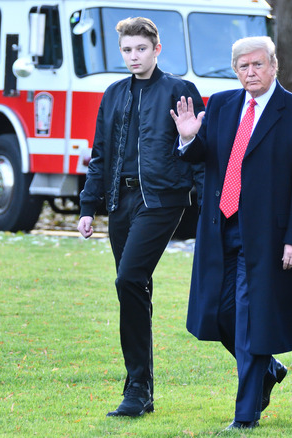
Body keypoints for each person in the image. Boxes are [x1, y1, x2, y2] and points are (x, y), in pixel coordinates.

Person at [170, 36, 292, 431]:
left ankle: (245, 414)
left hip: (268, 237)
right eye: (243, 66)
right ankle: (269, 370)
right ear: (235, 70)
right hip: (220, 229)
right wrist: (188, 136)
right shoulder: (221, 104)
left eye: (258, 64)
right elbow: (204, 154)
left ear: (274, 65)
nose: (251, 72)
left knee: (251, 321)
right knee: (218, 315)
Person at [77, 17, 204, 418]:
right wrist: (87, 206)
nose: (134, 56)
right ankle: (141, 391)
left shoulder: (179, 90)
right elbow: (100, 154)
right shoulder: (113, 94)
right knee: (133, 290)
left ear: (157, 49)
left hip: (162, 200)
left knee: (129, 278)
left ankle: (136, 388)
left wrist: (208, 205)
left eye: (141, 49)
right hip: (120, 201)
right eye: (128, 50)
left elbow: (201, 151)